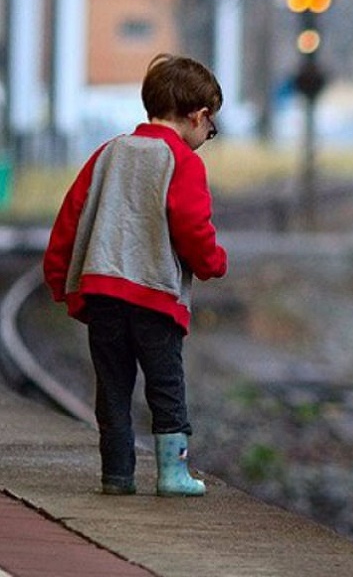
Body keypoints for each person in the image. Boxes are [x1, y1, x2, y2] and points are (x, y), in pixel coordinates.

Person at [43, 53, 227, 497]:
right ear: (198, 116)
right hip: (154, 297)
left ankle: (117, 476)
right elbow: (190, 225)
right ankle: (172, 474)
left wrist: (57, 274)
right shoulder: (181, 161)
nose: (207, 136)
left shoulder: (108, 153)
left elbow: (71, 216)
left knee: (112, 388)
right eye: (211, 127)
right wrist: (212, 261)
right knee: (166, 386)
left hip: (103, 292)